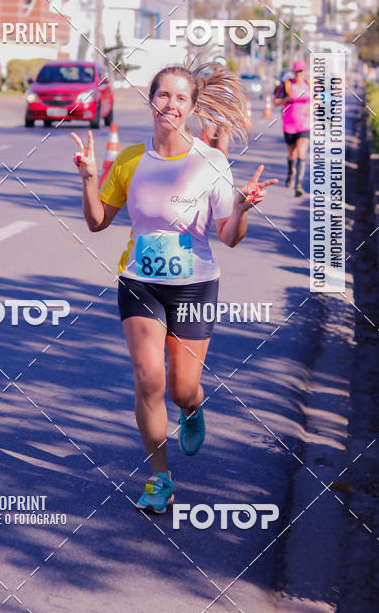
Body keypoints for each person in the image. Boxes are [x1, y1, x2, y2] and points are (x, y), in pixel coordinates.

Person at [70, 64, 277, 514]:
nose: (171, 105)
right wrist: (88, 176)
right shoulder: (129, 159)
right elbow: (97, 221)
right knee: (149, 379)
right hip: (140, 282)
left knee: (182, 387)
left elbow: (230, 236)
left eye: (181, 98)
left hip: (195, 284)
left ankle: (193, 406)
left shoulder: (211, 162)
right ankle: (159, 478)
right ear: (152, 100)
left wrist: (241, 207)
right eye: (163, 95)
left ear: (192, 107)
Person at [273, 59, 310, 197]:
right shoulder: (286, 86)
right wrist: (287, 98)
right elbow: (276, 103)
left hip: (305, 125)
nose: (299, 73)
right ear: (294, 72)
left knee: (301, 153)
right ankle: (290, 173)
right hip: (289, 125)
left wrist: (312, 109)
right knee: (291, 154)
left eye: (301, 71)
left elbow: (318, 99)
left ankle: (298, 185)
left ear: (304, 71)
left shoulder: (309, 85)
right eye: (297, 71)